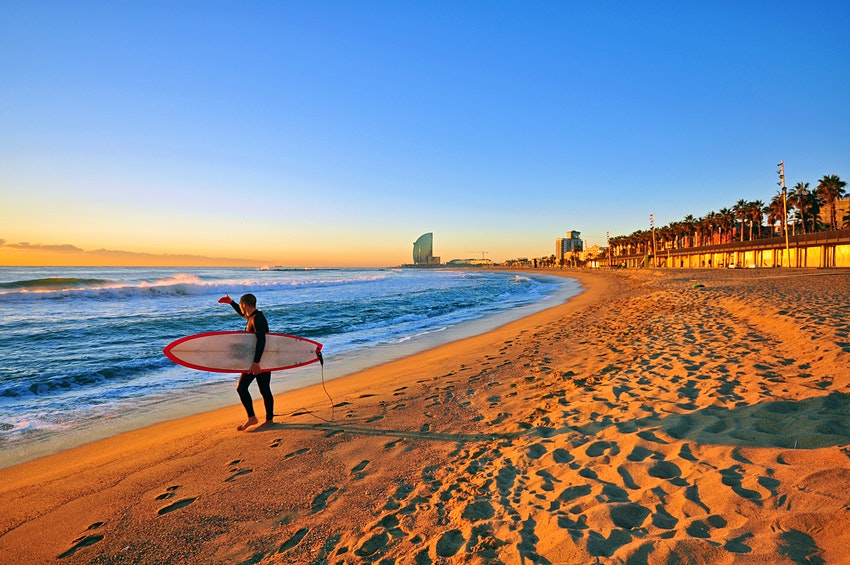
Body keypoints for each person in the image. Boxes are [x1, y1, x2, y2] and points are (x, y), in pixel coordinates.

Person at [218, 293, 274, 431]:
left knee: (245, 388)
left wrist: (256, 362)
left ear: (245, 305)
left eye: (240, 305)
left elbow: (262, 340)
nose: (241, 309)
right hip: (259, 360)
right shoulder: (252, 316)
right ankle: (262, 419)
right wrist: (231, 302)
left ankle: (260, 419)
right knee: (262, 389)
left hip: (259, 361)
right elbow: (243, 314)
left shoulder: (257, 319)